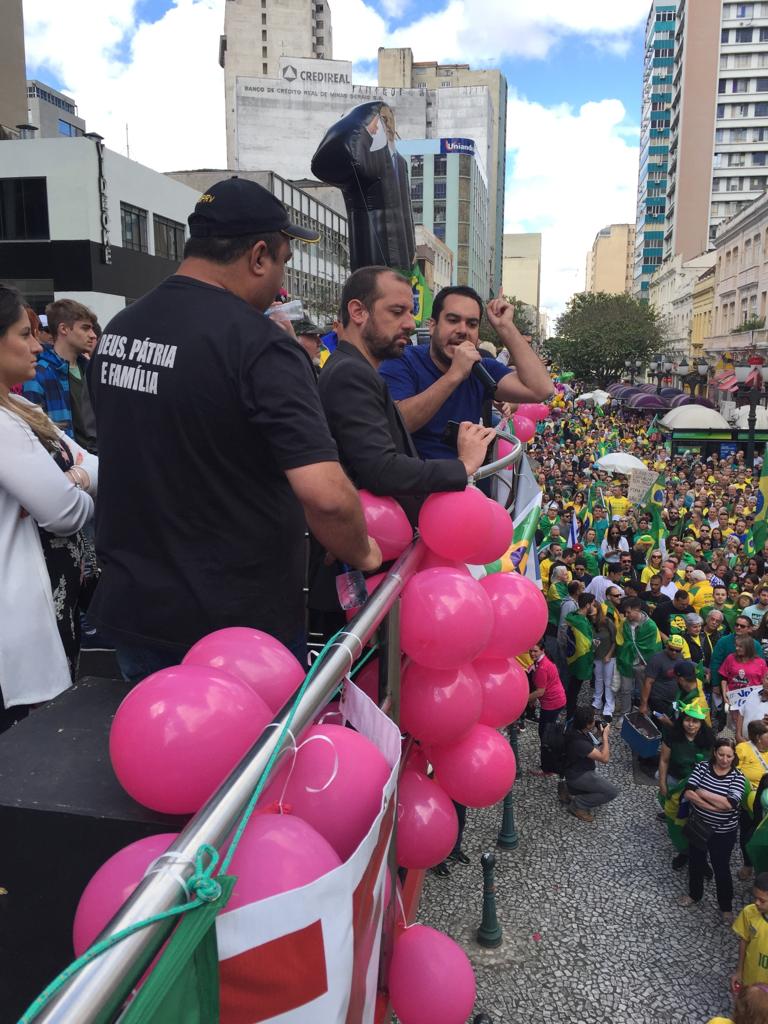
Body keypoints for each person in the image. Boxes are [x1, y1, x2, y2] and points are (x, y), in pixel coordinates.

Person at [88, 177, 382, 683]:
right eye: (285, 262)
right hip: (236, 627)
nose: (281, 283)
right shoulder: (259, 344)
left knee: (160, 735)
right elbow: (327, 496)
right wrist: (366, 551)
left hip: (137, 609)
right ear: (259, 256)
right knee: (258, 739)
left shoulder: (120, 329)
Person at [0, 285, 97, 730]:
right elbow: (64, 513)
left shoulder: (20, 407)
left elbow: (93, 463)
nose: (37, 346)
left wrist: (72, 479)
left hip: (53, 605)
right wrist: (75, 483)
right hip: (22, 618)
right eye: (24, 334)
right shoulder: (5, 424)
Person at [379, 284, 552, 462]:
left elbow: (541, 389)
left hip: (464, 476)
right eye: (453, 320)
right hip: (411, 475)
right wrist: (455, 375)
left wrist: (505, 326)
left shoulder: (482, 368)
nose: (462, 330)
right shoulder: (401, 360)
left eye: (472, 324)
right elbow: (397, 423)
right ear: (432, 326)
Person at [681, 737, 747, 923]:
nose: (724, 759)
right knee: (696, 862)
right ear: (715, 753)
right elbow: (688, 792)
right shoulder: (702, 767)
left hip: (723, 833)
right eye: (721, 754)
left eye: (729, 756)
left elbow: (730, 804)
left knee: (721, 867)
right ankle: (695, 894)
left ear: (734, 757)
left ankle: (725, 906)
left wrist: (702, 793)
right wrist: (714, 805)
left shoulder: (738, 777)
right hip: (699, 826)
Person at [22, 297, 99, 454]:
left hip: (97, 460)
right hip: (65, 463)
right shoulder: (39, 375)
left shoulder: (92, 369)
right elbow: (34, 434)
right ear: (64, 329)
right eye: (85, 328)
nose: (92, 335)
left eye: (92, 329)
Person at [658, 704, 715, 871]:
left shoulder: (709, 740)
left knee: (699, 823)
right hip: (676, 782)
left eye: (695, 721)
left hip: (700, 787)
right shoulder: (672, 736)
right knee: (676, 821)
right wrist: (662, 783)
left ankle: (700, 857)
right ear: (682, 720)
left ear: (701, 723)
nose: (691, 724)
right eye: (687, 720)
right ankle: (683, 851)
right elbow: (664, 760)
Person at [561, 706, 618, 823]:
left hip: (572, 770)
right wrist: (605, 737)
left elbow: (589, 744)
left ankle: (569, 789)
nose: (595, 720)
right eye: (593, 719)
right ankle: (578, 805)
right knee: (611, 792)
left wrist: (598, 734)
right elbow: (604, 758)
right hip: (578, 775)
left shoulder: (574, 728)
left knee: (597, 787)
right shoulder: (579, 743)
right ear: (587, 725)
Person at [615, 597, 663, 718]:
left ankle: (644, 715)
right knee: (625, 690)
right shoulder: (624, 623)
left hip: (643, 664)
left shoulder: (651, 626)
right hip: (627, 661)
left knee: (644, 691)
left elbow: (655, 646)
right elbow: (620, 641)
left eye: (628, 612)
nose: (626, 615)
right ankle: (624, 714)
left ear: (637, 610)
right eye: (625, 612)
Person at [527, 640, 567, 775]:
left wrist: (524, 699)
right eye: (531, 651)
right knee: (547, 733)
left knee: (545, 736)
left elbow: (540, 691)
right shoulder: (544, 662)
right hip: (557, 700)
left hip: (551, 704)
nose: (532, 653)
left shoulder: (542, 668)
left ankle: (547, 767)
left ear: (542, 650)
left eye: (535, 651)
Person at [735, 721, 768, 882]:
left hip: (766, 803)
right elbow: (734, 770)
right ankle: (748, 864)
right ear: (758, 738)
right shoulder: (743, 749)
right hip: (750, 802)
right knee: (747, 834)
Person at [730, 875, 768, 995]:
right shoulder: (749, 913)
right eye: (755, 897)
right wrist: (739, 971)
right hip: (750, 979)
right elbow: (744, 940)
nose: (756, 903)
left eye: (762, 900)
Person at [721, 635, 768, 730]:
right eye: (736, 645)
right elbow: (724, 678)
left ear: (748, 647)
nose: (736, 648)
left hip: (753, 701)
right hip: (734, 700)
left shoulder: (760, 662)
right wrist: (724, 694)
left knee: (750, 725)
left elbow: (765, 680)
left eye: (740, 646)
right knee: (732, 727)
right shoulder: (730, 658)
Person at [638, 635, 687, 719]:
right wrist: (644, 704)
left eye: (677, 650)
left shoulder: (680, 657)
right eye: (671, 649)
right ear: (667, 646)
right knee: (660, 722)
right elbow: (648, 682)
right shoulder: (657, 659)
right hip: (658, 699)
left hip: (673, 700)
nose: (674, 652)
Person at [564, 593, 597, 716]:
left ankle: (571, 707)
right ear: (587, 605)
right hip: (580, 660)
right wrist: (594, 644)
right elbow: (585, 644)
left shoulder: (574, 617)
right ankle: (570, 713)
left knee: (573, 685)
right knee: (574, 688)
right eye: (593, 604)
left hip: (572, 657)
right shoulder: (581, 622)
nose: (594, 607)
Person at [591, 599, 616, 722]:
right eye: (590, 606)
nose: (591, 608)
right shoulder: (588, 623)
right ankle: (597, 701)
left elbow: (615, 640)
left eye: (594, 606)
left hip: (608, 656)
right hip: (596, 656)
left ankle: (609, 707)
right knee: (598, 679)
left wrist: (609, 655)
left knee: (608, 681)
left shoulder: (607, 622)